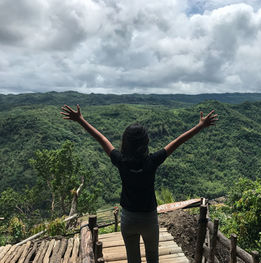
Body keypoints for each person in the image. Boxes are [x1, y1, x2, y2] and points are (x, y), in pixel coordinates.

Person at [60, 104, 218, 263]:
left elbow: (101, 138)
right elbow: (178, 142)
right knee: (152, 257)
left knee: (132, 259)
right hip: (149, 218)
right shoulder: (152, 161)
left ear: (125, 142)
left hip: (128, 218)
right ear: (146, 142)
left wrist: (80, 120)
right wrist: (200, 126)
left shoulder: (120, 160)